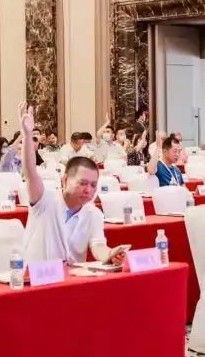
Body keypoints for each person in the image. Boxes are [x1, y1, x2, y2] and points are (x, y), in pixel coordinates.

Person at [18, 104, 125, 265]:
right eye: (83, 183)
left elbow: (98, 246)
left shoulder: (94, 214)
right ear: (65, 180)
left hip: (72, 277)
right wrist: (27, 136)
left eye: (93, 185)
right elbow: (30, 171)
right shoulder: (44, 200)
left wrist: (110, 254)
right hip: (37, 275)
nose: (88, 190)